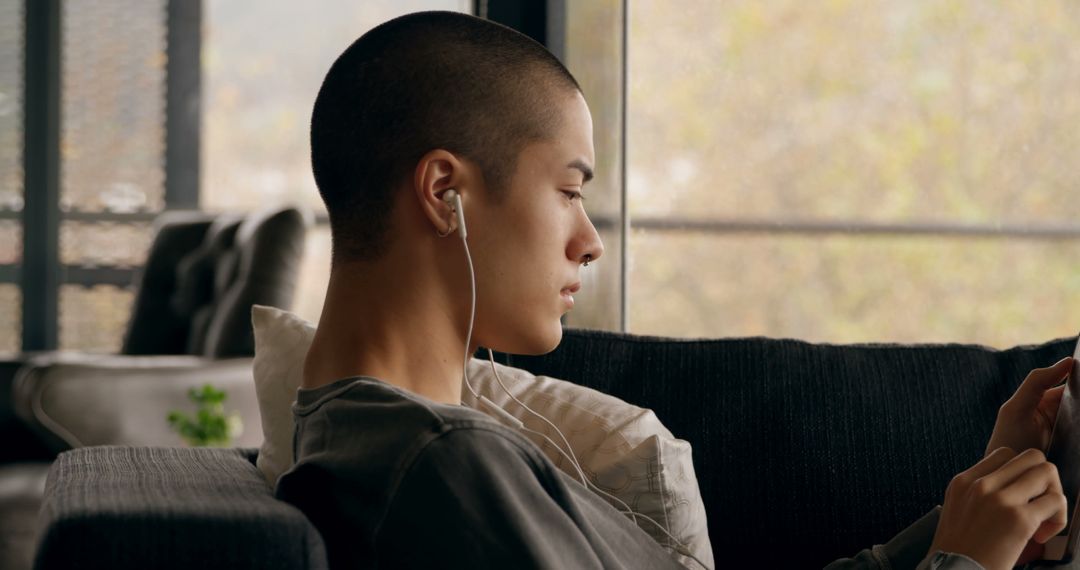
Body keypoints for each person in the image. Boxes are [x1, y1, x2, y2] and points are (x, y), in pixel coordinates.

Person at [274, 10, 1071, 570]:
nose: (588, 243)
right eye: (568, 190)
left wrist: (963, 517)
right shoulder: (441, 464)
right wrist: (965, 561)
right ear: (445, 191)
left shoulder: (383, 435)